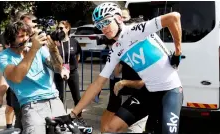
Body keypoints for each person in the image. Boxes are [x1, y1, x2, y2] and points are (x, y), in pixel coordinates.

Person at [60, 2, 183, 134]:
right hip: (148, 92)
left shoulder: (136, 29)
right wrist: (72, 114)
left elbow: (174, 17)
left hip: (170, 90)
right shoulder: (116, 49)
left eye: (106, 22)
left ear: (118, 18)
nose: (104, 28)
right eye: (100, 25)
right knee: (110, 128)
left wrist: (177, 53)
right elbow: (98, 83)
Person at [0, 20, 68, 134]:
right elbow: (16, 77)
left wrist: (53, 48)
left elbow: (56, 66)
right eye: (21, 36)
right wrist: (34, 49)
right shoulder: (4, 57)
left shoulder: (38, 49)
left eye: (26, 35)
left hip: (54, 100)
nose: (25, 39)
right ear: (10, 39)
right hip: (31, 104)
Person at [0, 11, 38, 131]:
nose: (30, 31)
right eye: (28, 26)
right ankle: (10, 128)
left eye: (33, 27)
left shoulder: (37, 47)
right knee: (21, 120)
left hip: (37, 99)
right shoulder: (9, 52)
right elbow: (7, 75)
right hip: (20, 96)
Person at [53, 20, 86, 125]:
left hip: (72, 72)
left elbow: (78, 55)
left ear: (68, 29)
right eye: (58, 28)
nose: (59, 30)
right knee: (60, 97)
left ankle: (79, 117)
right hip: (59, 73)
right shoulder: (56, 42)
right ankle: (61, 118)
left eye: (61, 28)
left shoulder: (74, 42)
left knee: (76, 96)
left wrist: (72, 66)